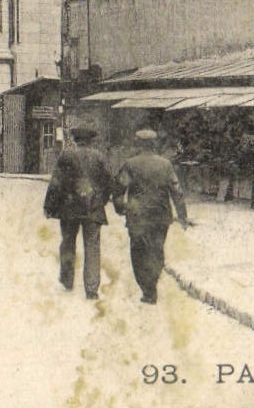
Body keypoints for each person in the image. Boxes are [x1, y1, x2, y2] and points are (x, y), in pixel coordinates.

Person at [112, 128, 189, 305]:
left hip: (137, 216)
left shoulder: (130, 164)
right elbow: (177, 191)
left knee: (138, 253)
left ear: (138, 144)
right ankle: (152, 282)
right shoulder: (166, 165)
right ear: (154, 145)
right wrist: (182, 216)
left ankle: (148, 290)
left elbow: (118, 190)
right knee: (157, 250)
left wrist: (120, 208)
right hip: (160, 216)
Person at [43, 124, 113, 299]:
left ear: (75, 139)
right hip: (93, 208)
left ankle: (67, 280)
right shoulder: (99, 157)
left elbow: (56, 183)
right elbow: (108, 183)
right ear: (90, 140)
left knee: (67, 242)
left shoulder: (66, 155)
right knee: (92, 247)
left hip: (69, 208)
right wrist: (100, 201)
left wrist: (49, 206)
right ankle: (92, 289)